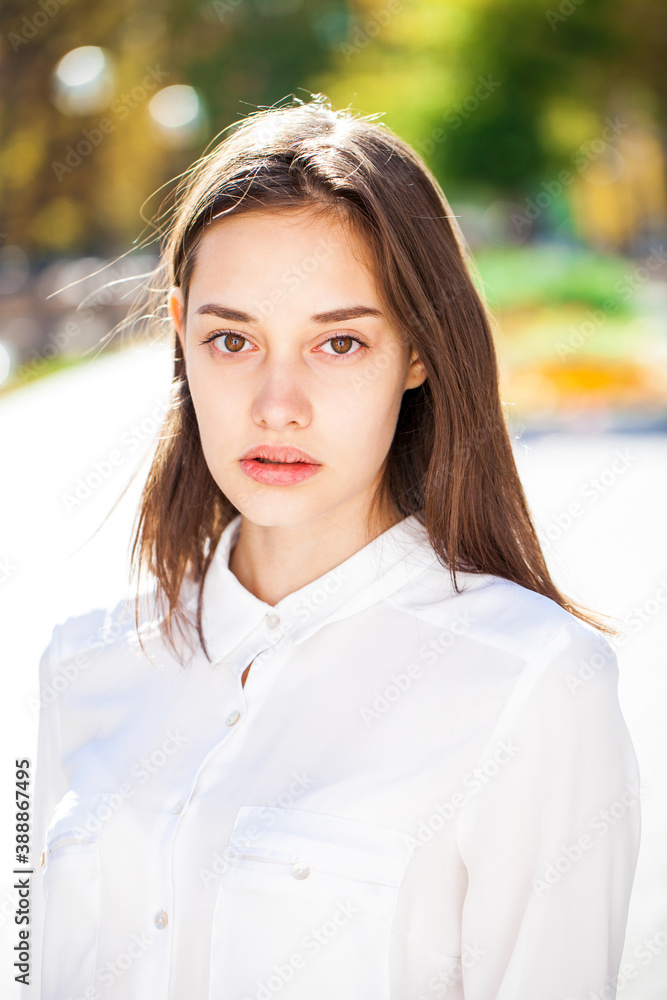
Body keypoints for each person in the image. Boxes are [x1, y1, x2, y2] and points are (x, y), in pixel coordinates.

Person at [29, 94, 640, 1000]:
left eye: (340, 342)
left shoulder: (533, 687)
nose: (278, 404)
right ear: (179, 334)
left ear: (419, 353)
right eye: (231, 339)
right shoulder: (82, 665)